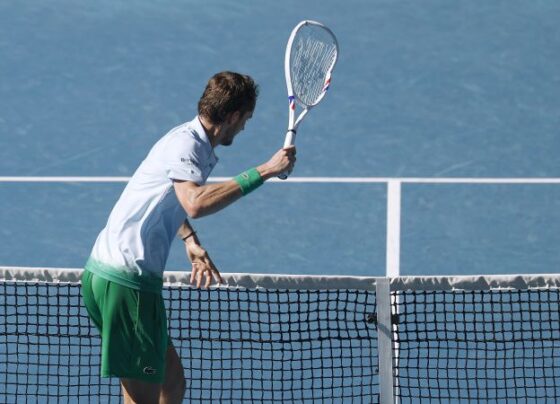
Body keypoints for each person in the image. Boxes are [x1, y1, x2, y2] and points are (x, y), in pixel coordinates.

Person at [80, 71, 296, 404]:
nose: (244, 128)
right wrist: (264, 171)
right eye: (246, 120)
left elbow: (167, 197)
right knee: (143, 398)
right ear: (233, 116)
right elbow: (193, 203)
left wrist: (189, 240)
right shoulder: (186, 145)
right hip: (126, 282)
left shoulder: (188, 141)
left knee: (173, 383)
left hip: (119, 277)